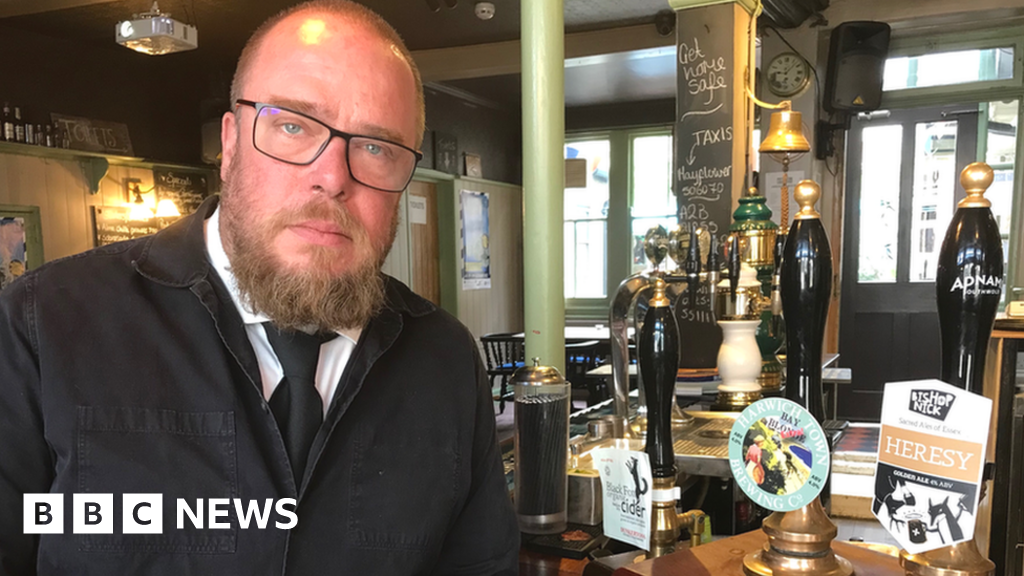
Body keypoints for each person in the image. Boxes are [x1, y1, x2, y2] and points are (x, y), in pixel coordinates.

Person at [0, 2, 519, 574]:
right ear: (229, 143)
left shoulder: (444, 359)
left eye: (376, 147)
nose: (332, 176)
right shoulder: (41, 325)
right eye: (293, 126)